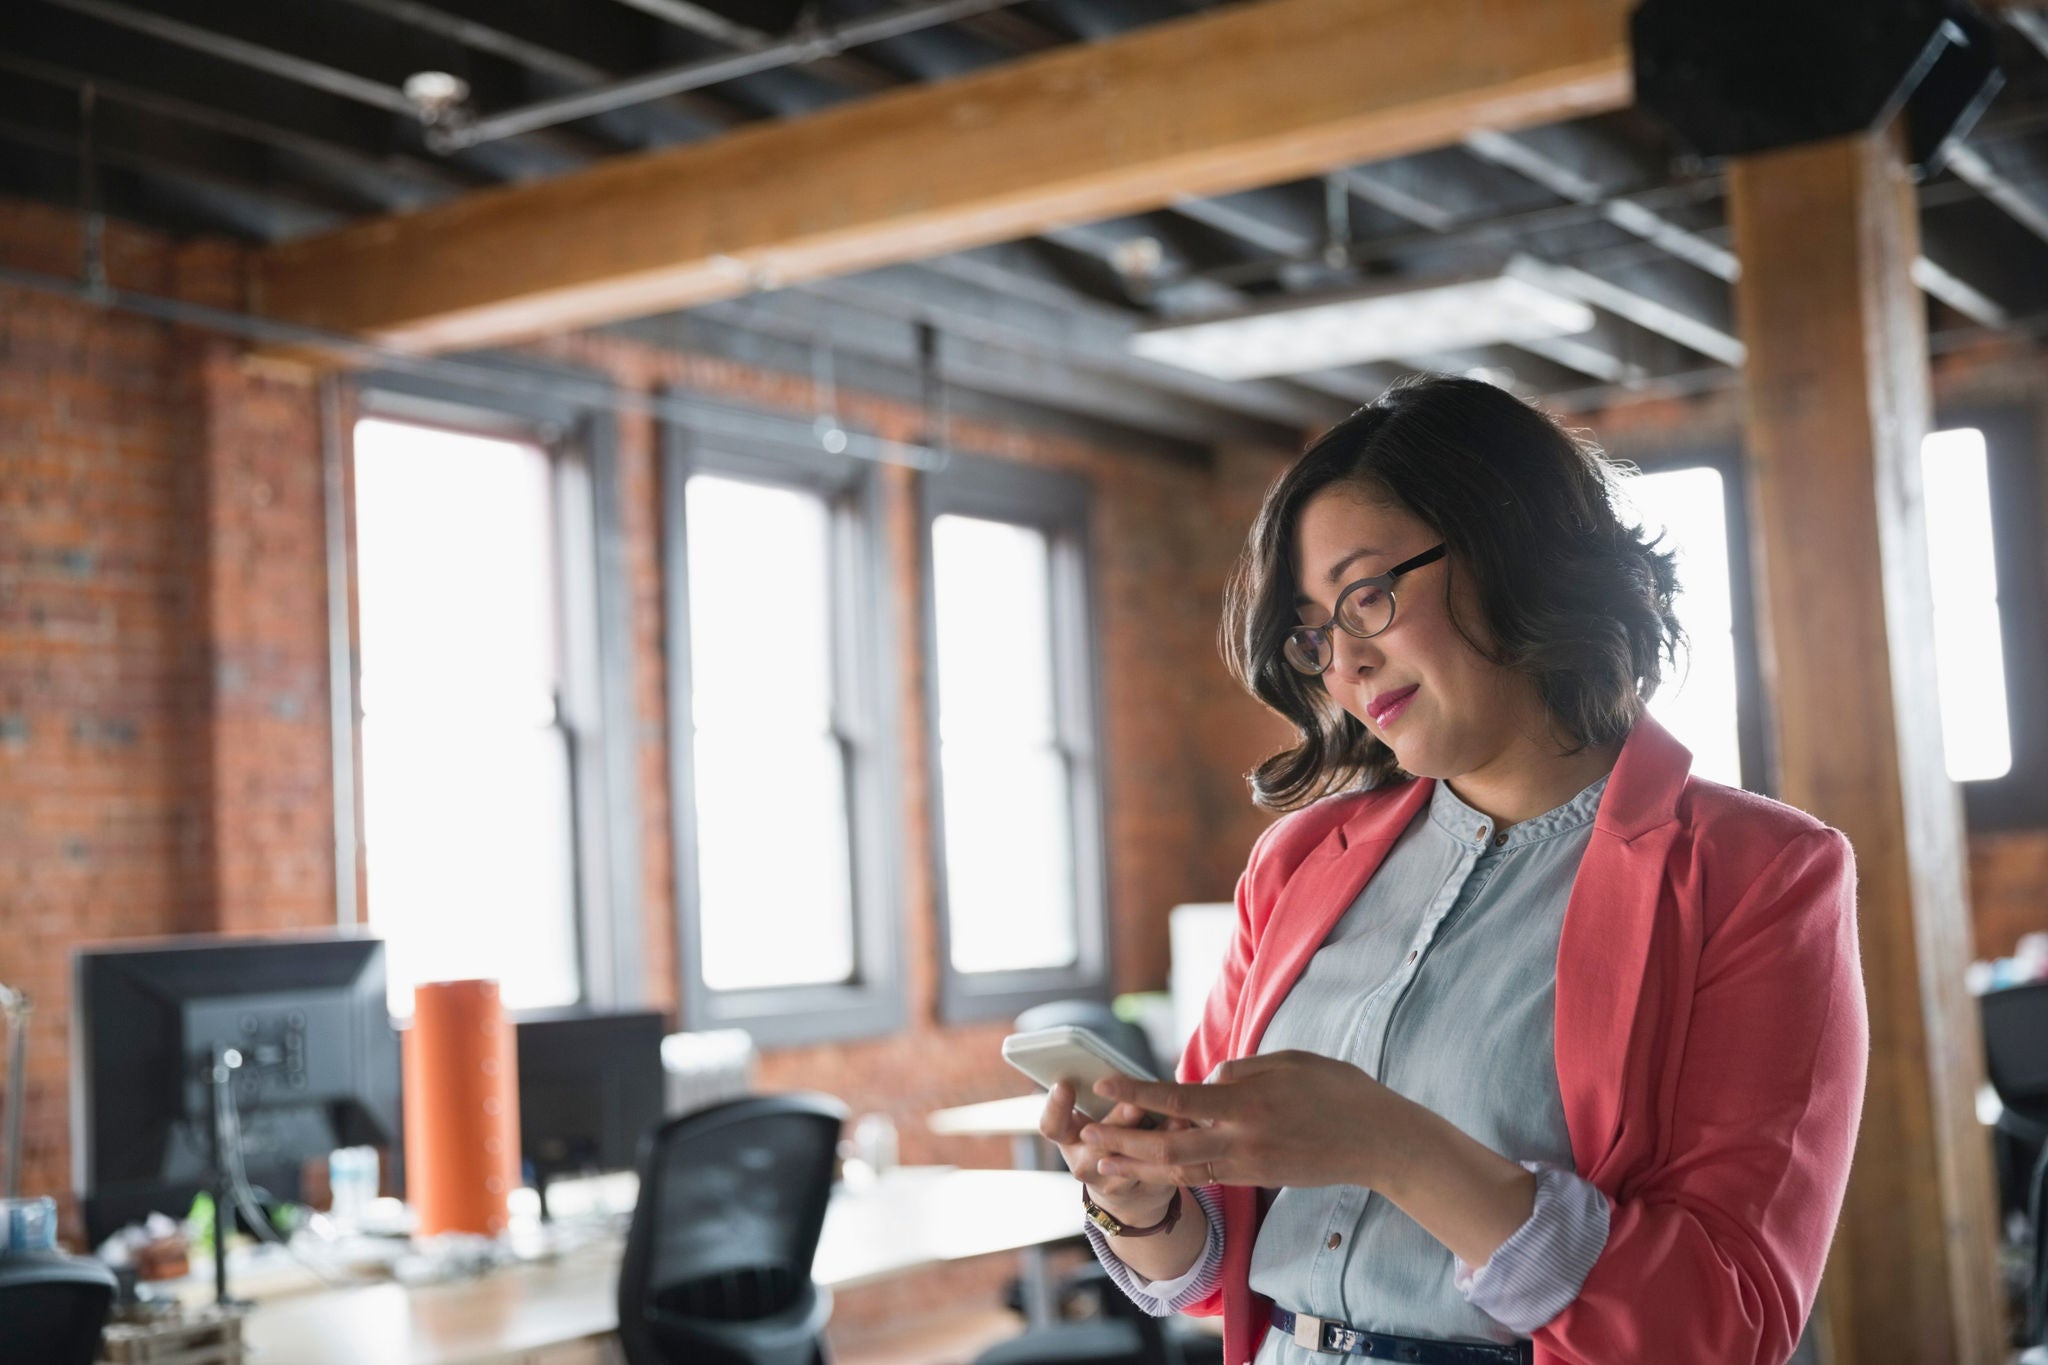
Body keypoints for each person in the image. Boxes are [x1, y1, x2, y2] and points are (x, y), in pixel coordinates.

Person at [1037, 375, 1867, 1365]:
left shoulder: (1758, 874)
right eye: (1313, 631)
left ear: (1507, 551)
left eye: (1368, 596)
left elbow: (1720, 1325)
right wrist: (1142, 1200)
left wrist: (1392, 1145)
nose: (1341, 663)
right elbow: (1223, 1265)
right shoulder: (1296, 861)